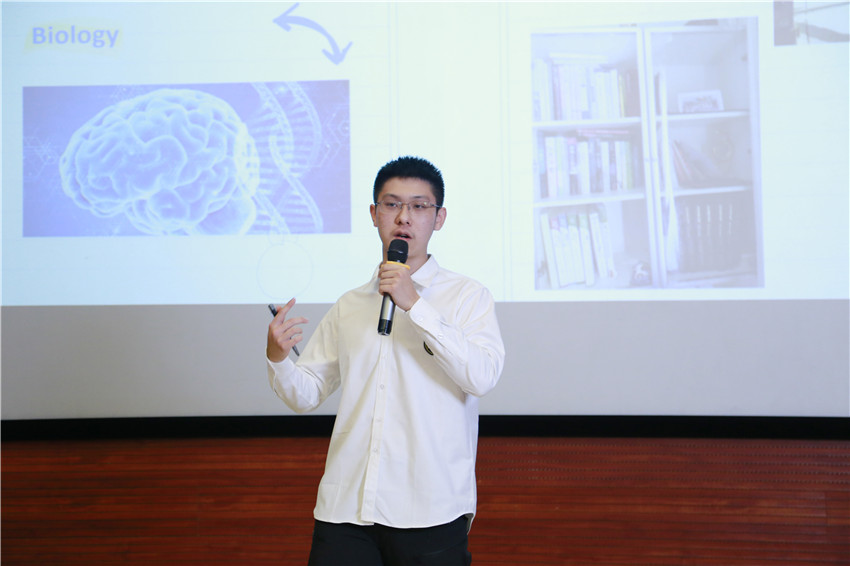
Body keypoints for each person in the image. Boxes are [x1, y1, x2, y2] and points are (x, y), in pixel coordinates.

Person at [266, 155, 505, 565]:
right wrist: (278, 356)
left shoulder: (468, 296)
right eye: (392, 204)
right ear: (374, 214)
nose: (404, 217)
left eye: (419, 206)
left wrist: (415, 305)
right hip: (346, 507)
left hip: (430, 507)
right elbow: (306, 394)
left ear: (439, 218)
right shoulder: (351, 304)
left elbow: (481, 377)